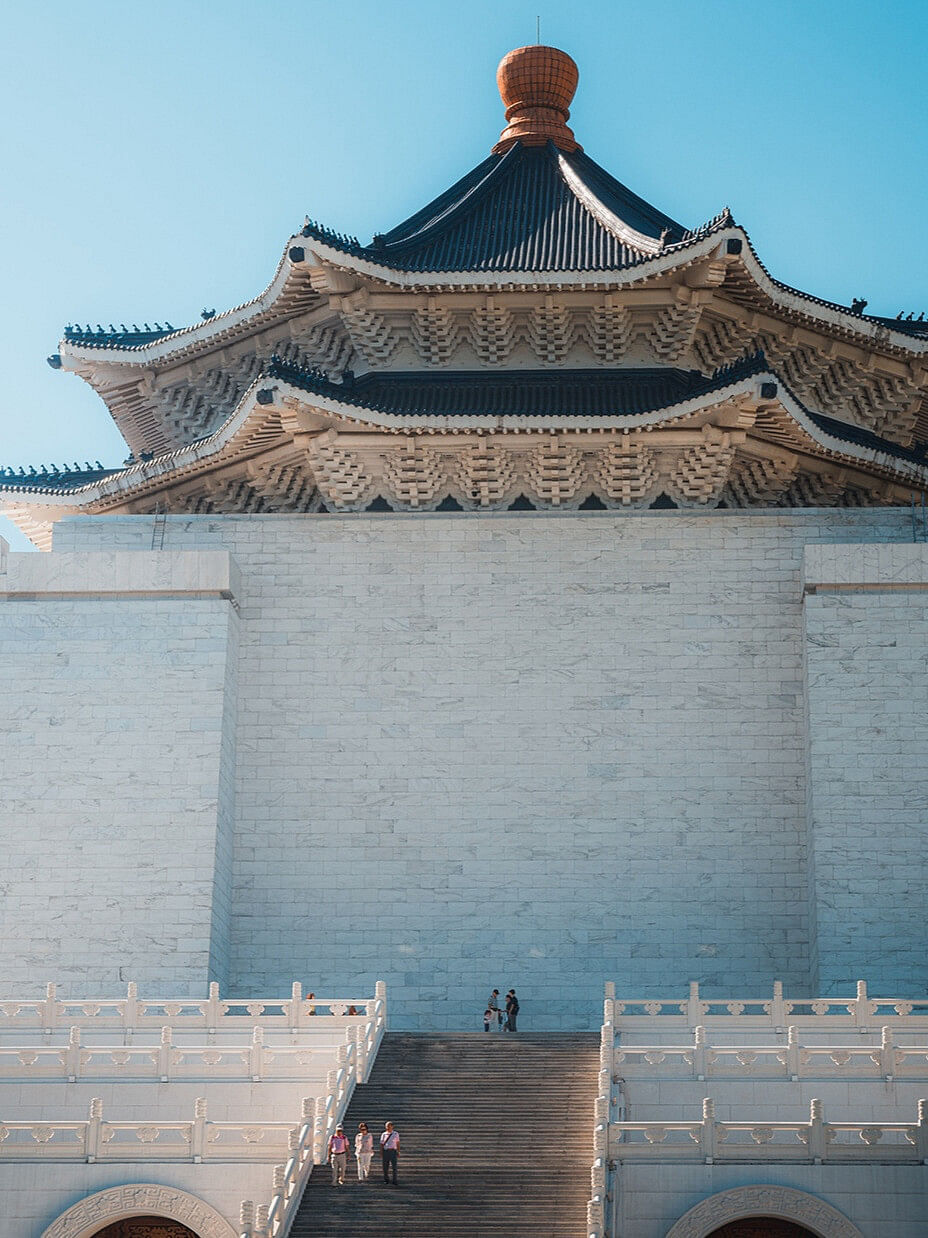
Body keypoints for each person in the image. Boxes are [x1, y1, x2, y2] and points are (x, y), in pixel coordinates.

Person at [380, 1120, 400, 1184]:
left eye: (389, 1126)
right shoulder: (383, 1134)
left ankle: (395, 1180)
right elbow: (381, 1144)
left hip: (393, 1151)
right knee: (385, 1167)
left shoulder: (395, 1134)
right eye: (386, 1126)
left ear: (392, 1127)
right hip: (386, 1151)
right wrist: (381, 1152)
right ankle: (386, 1179)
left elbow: (398, 1143)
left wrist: (398, 1151)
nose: (388, 1127)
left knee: (394, 1166)